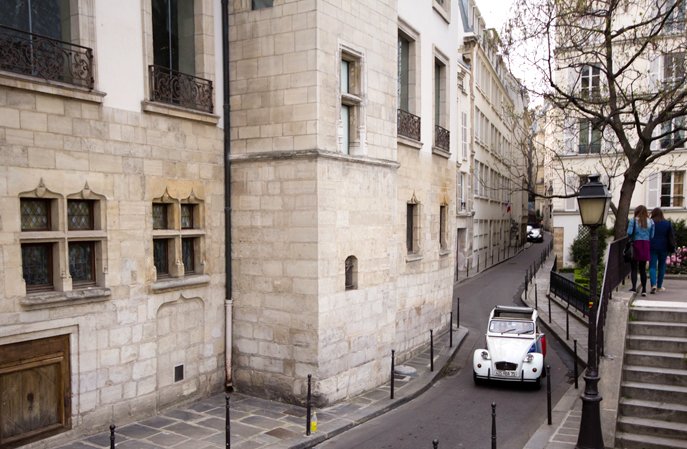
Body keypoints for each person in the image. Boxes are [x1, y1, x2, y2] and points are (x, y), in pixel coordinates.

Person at [627, 205, 654, 296]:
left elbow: (629, 233)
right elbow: (652, 235)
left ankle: (634, 287)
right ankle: (644, 290)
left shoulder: (633, 220)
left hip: (636, 244)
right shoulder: (650, 221)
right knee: (643, 269)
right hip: (645, 244)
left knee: (634, 267)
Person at [649, 207, 673, 294]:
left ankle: (653, 285)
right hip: (664, 247)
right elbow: (671, 236)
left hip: (652, 246)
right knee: (662, 266)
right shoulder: (667, 223)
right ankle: (659, 286)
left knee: (652, 266)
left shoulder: (651, 223)